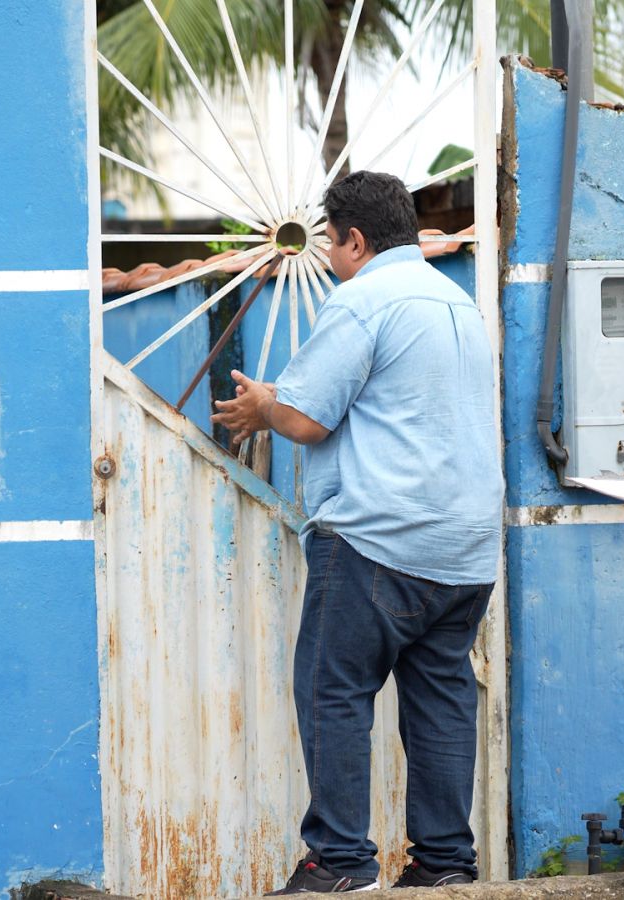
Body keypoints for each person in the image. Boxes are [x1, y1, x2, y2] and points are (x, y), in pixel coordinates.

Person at [211, 171, 503, 894]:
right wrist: (285, 402)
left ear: (355, 240)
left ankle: (339, 863)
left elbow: (309, 418)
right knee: (440, 696)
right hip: (465, 548)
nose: (331, 258)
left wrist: (262, 408)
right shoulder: (457, 301)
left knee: (330, 688)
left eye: (331, 243)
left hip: (379, 538)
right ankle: (443, 865)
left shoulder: (363, 300)